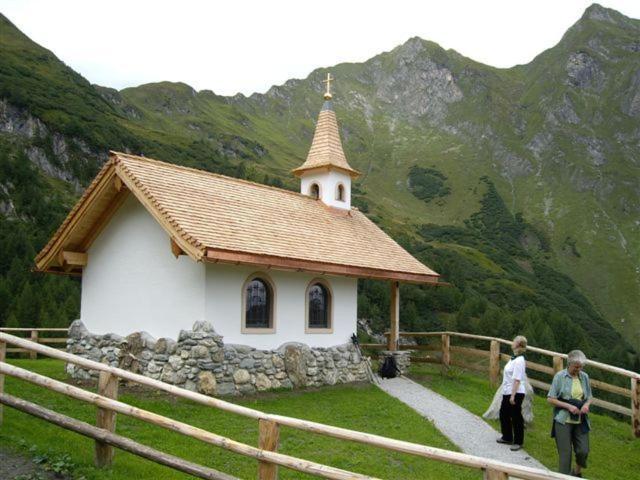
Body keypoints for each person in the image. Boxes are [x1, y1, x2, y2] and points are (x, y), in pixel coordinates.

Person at [547, 350, 592, 477]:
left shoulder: (584, 377)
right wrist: (569, 406)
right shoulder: (559, 377)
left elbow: (589, 397)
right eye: (576, 367)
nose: (578, 369)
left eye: (581, 367)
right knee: (565, 455)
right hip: (563, 420)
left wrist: (586, 405)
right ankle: (564, 477)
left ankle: (576, 473)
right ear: (569, 364)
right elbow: (550, 398)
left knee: (583, 451)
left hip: (580, 420)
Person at [496, 335, 527, 451]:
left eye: (514, 341)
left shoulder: (519, 360)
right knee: (503, 413)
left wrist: (513, 395)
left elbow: (517, 379)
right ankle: (507, 437)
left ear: (518, 344)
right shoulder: (513, 358)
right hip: (507, 391)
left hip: (516, 392)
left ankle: (518, 441)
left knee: (516, 416)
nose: (512, 343)